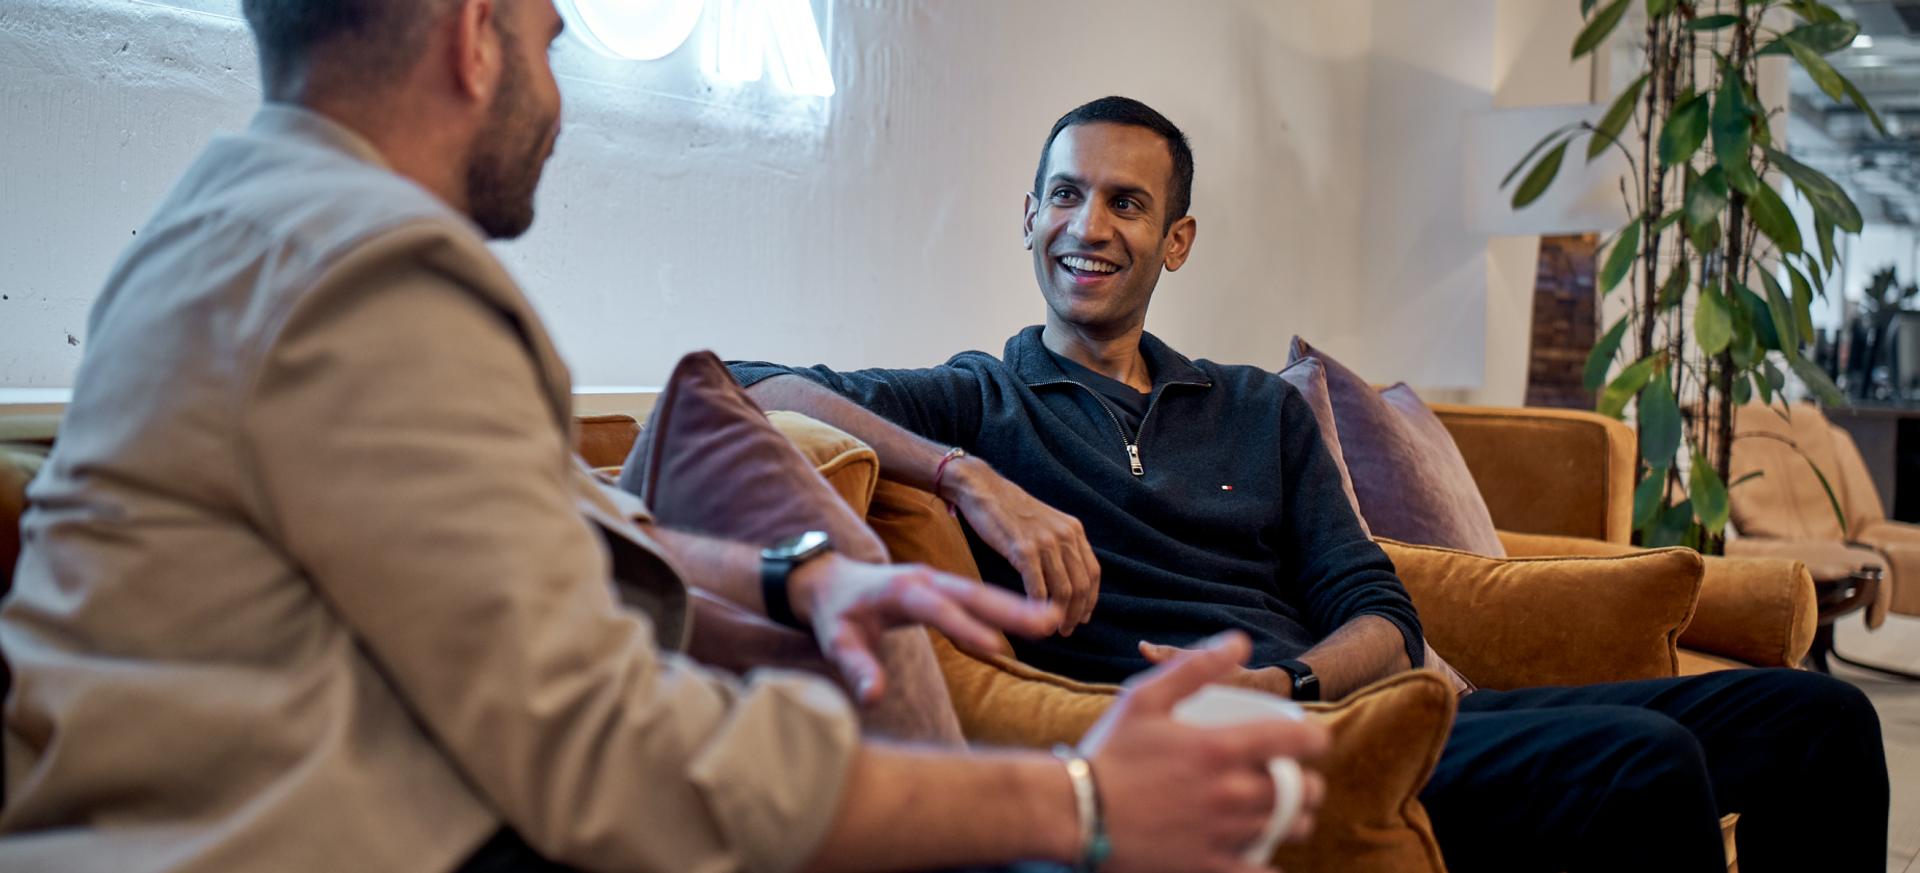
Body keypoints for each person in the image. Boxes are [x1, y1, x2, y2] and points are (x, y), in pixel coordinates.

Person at [0, 6, 1331, 873]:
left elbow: (528, 513)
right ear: (476, 36)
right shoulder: (374, 275)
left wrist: (794, 574)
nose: (554, 84)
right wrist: (1079, 804)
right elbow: (621, 760)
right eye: (551, 35)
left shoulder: (225, 227)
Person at [730, 95, 1892, 873]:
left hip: (1345, 706)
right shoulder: (976, 398)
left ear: (1175, 241)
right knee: (1647, 765)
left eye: (1127, 203)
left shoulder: (1257, 406)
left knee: (1820, 719)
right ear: (1029, 218)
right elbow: (739, 383)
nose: (1092, 225)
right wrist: (970, 476)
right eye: (1068, 195)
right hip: (1212, 746)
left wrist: (1292, 680)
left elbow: (1380, 613)